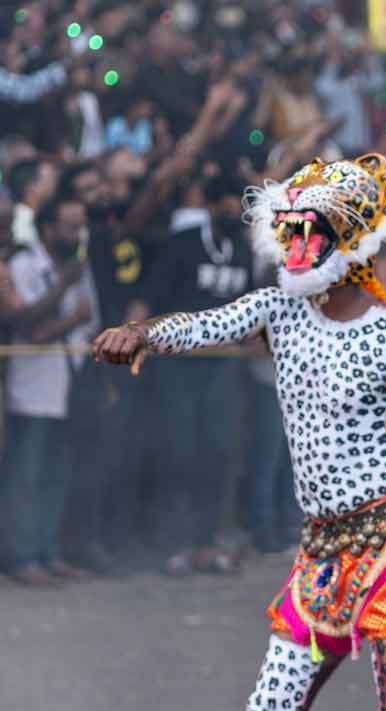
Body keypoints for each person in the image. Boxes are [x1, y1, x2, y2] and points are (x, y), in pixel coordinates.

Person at [93, 152, 386, 711]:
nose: (294, 247)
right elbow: (205, 323)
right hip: (324, 553)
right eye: (288, 231)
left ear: (351, 241)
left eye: (311, 232)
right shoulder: (277, 308)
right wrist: (143, 332)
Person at [140, 166, 255, 576]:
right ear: (209, 206)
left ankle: (207, 542)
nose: (231, 210)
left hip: (222, 372)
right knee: (179, 452)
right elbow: (148, 302)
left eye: (237, 204)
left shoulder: (242, 252)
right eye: (225, 202)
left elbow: (248, 314)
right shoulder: (182, 246)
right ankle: (177, 543)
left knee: (217, 454)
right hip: (179, 370)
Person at [0, 192, 99, 585]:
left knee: (57, 475)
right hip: (32, 389)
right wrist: (64, 300)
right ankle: (22, 557)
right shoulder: (23, 266)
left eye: (81, 227)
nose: (76, 235)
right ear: (47, 229)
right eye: (69, 227)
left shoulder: (79, 267)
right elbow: (28, 326)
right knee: (26, 477)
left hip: (69, 384)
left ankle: (47, 551)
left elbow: (89, 322)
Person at [9, 158, 58, 249]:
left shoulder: (38, 217)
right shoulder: (21, 224)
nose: (56, 185)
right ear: (32, 188)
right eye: (51, 180)